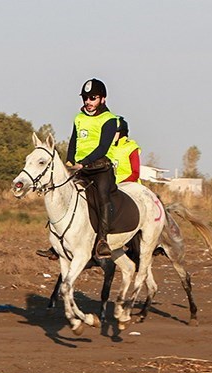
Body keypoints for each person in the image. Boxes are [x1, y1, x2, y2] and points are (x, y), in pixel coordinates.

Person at [36, 78, 119, 261]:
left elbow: (103, 147)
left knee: (103, 197)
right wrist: (70, 161)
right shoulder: (79, 118)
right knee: (63, 196)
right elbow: (73, 142)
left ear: (103, 99)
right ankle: (57, 244)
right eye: (86, 98)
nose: (88, 102)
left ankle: (103, 241)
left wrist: (85, 162)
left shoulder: (110, 120)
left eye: (93, 98)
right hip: (81, 168)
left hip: (101, 168)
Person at [110, 116, 141, 183]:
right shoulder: (105, 148)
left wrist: (122, 182)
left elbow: (135, 173)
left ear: (122, 133)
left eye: (114, 132)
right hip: (108, 185)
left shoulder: (131, 148)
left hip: (128, 185)